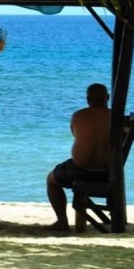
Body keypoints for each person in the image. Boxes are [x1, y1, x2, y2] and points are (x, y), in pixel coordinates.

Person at [45, 82, 112, 231]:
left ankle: (62, 221)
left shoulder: (78, 115)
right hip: (108, 173)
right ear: (107, 97)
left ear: (88, 99)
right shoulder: (116, 117)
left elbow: (75, 134)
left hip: (79, 169)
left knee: (51, 180)